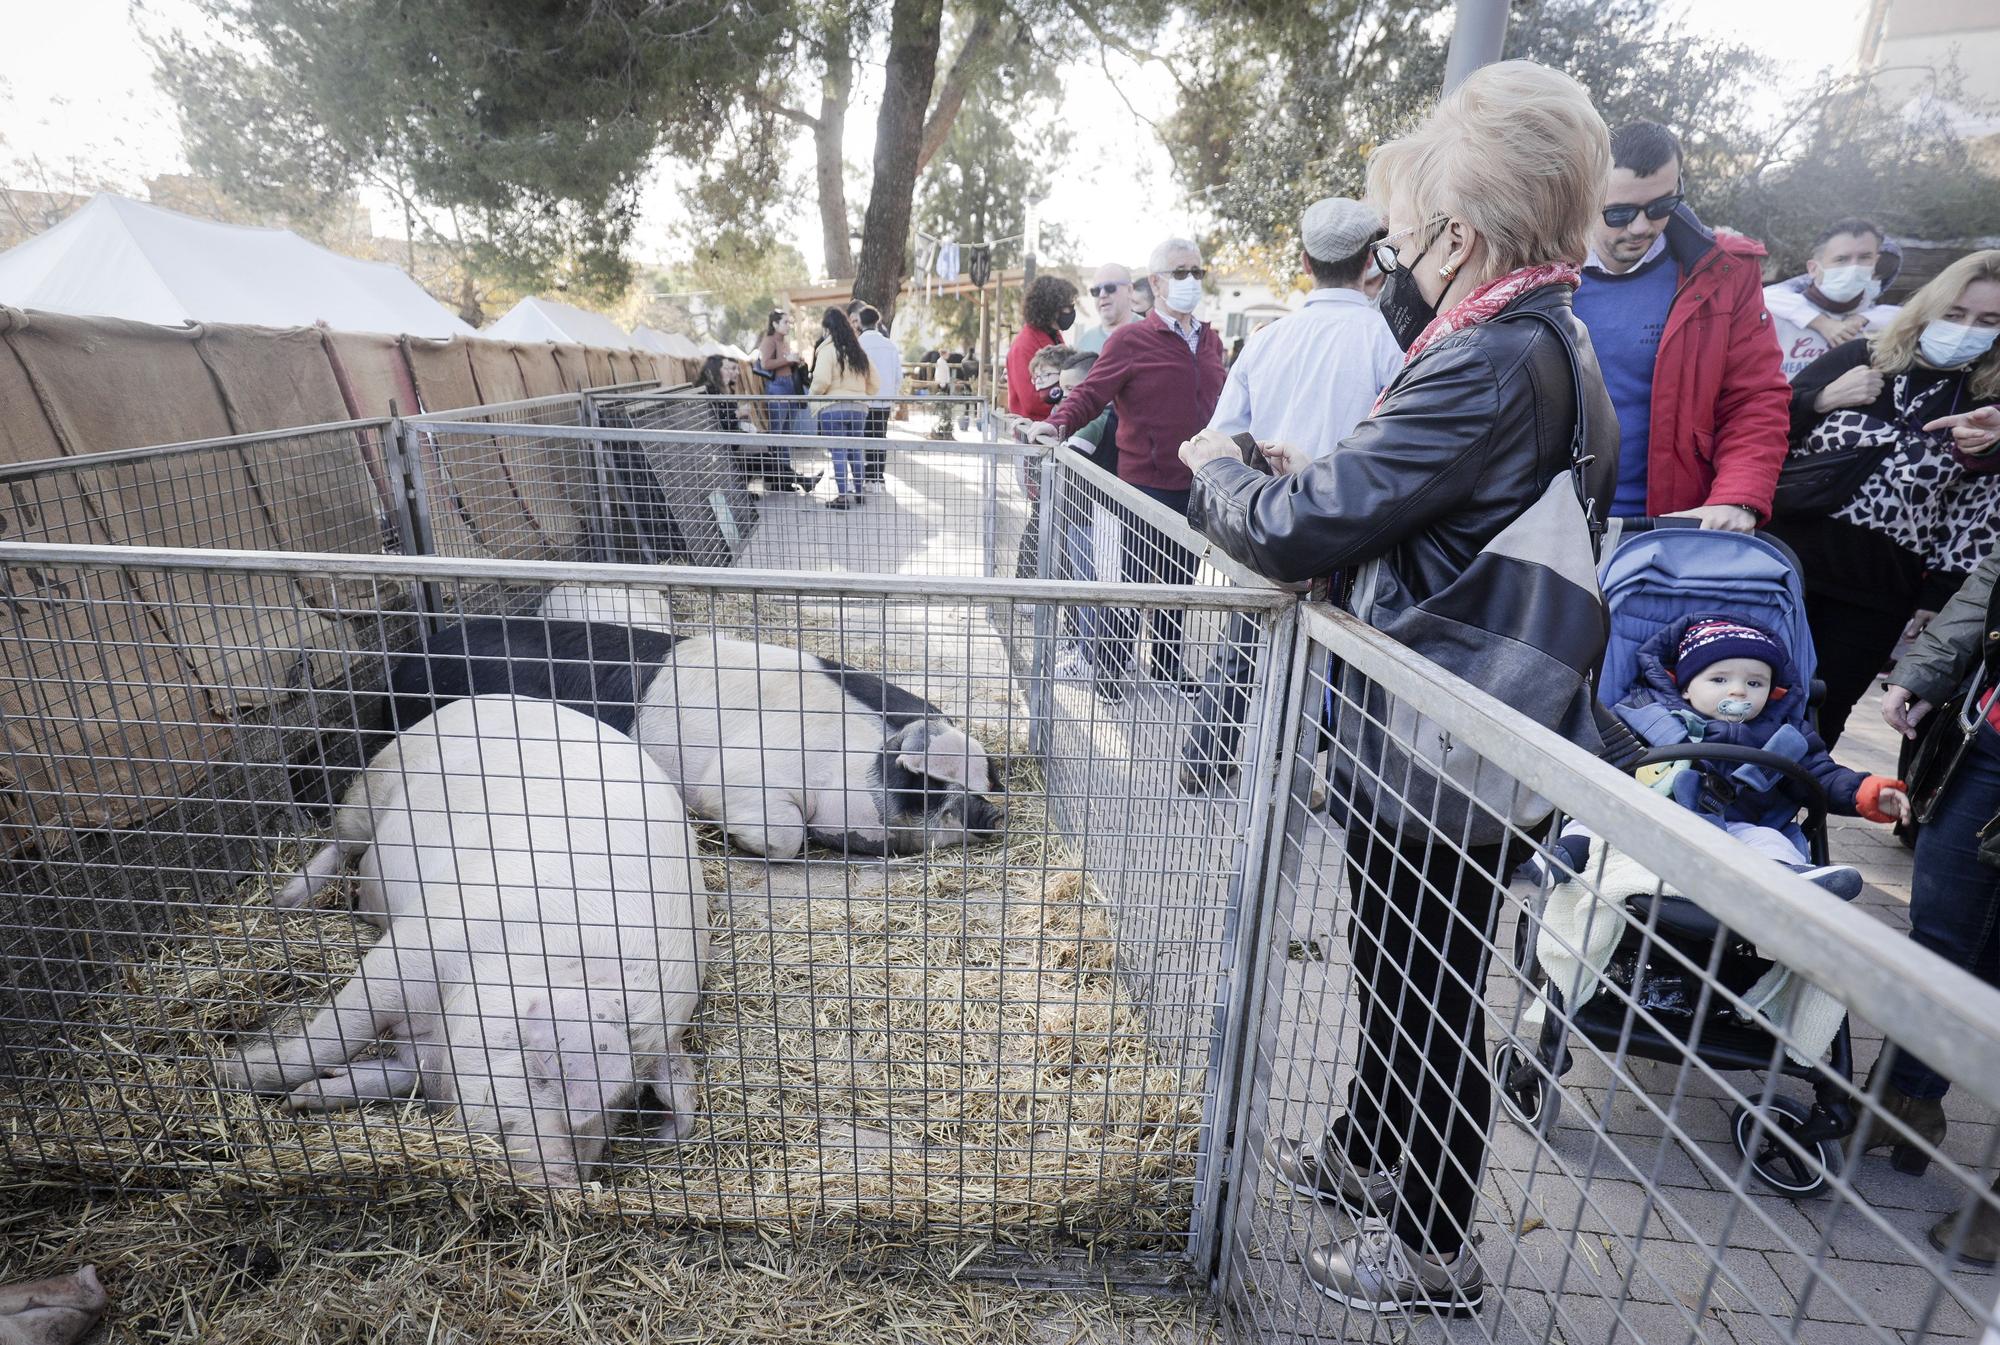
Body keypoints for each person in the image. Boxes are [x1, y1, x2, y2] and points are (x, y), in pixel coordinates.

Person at [1177, 60, 1618, 1313]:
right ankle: (1373, 1154)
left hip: (1437, 731)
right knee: (1398, 958)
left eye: (1408, 231)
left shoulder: (1482, 359)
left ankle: (1430, 1239)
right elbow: (1418, 507)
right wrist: (1315, 477)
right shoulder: (1549, 336)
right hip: (1472, 716)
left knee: (1422, 981)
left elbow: (1293, 531)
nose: (1396, 257)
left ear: (1456, 234)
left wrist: (1222, 470)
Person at [1183, 195, 1402, 791]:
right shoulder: (1388, 343)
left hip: (1266, 516)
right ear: (1372, 264)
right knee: (1333, 656)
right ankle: (1301, 779)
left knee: (1247, 639)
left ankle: (1203, 761)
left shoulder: (1268, 340)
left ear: (1306, 262)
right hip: (1348, 522)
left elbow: (1223, 436)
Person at [1765, 250, 2000, 745]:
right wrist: (1821, 399)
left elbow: (1976, 516)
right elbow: (1766, 430)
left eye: (1988, 320)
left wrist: (1939, 597)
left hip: (1876, 596)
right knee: (1741, 695)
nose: (1966, 328)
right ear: (1929, 307)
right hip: (1781, 566)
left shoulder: (1987, 408)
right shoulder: (1861, 356)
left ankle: (1786, 821)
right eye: (1955, 314)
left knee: (1818, 723)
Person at [1027, 236, 1227, 692]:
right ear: (1156, 283)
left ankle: (1167, 666)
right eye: (1181, 273)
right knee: (1127, 588)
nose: (1191, 281)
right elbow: (1091, 392)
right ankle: (1109, 671)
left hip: (1196, 487)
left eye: (1197, 272)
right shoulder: (1131, 340)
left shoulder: (1210, 341)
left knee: (1179, 586)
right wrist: (1056, 424)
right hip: (1140, 489)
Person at [1572, 120, 1790, 530]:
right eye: (1619, 213)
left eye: (1661, 207)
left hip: (1670, 522)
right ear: (1582, 196)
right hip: (1544, 524)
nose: (1641, 227)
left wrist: (1738, 497)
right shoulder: (1532, 266)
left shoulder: (1726, 272)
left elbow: (1755, 400)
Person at [1880, 542, 2000, 1263]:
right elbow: (1993, 576)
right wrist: (1923, 671)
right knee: (1942, 930)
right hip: (1987, 740)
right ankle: (1904, 1101)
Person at [1597, 615, 1906, 894]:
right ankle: (1563, 857)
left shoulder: (1784, 734)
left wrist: (1863, 792)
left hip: (1737, 832)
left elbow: (1821, 774)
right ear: (1686, 687)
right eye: (1719, 679)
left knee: (1772, 842)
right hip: (1649, 821)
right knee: (1591, 820)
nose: (1739, 691)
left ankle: (1791, 881)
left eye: (1755, 682)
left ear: (1773, 691)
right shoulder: (1648, 715)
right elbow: (1606, 758)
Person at [1764, 218, 1902, 381]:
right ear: (1813, 268)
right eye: (1841, 259)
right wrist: (1820, 322)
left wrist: (1865, 318)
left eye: (1864, 257)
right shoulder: (1774, 318)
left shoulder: (1888, 325)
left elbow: (1919, 318)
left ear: (1875, 262)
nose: (1854, 267)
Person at [808, 306, 881, 509]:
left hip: (833, 408)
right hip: (859, 409)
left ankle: (842, 497)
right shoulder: (858, 351)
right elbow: (875, 382)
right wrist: (861, 394)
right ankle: (859, 493)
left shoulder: (827, 350)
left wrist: (812, 395)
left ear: (827, 329)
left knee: (838, 452)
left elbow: (821, 380)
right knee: (856, 451)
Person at [1007, 276, 1078, 419]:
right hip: (1034, 432)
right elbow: (1032, 402)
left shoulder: (1054, 335)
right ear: (1050, 307)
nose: (1070, 311)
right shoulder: (1024, 345)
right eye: (1067, 306)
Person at [856, 305, 903, 490]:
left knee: (865, 437)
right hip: (885, 399)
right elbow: (898, 376)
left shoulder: (859, 344)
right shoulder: (890, 345)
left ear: (860, 322)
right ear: (878, 321)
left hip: (864, 399)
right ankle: (878, 477)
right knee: (880, 436)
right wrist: (892, 394)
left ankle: (868, 477)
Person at [755, 309, 807, 439]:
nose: (789, 325)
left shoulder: (784, 342)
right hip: (777, 386)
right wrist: (787, 360)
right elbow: (765, 364)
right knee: (777, 432)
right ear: (775, 324)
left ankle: (784, 460)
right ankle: (777, 459)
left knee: (787, 432)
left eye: (789, 322)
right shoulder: (769, 340)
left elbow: (784, 363)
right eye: (785, 322)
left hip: (790, 385)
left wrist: (795, 361)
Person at [1076, 263, 1142, 354]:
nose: (1102, 295)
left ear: (1129, 290)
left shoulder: (1151, 335)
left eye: (1110, 287)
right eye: (1096, 291)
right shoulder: (1084, 343)